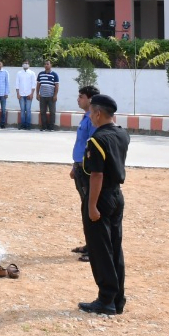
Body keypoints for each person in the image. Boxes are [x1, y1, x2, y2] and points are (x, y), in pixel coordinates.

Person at [78, 94, 129, 316]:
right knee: (115, 248)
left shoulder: (97, 140)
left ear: (98, 113)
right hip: (117, 195)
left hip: (101, 196)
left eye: (91, 112)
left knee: (101, 250)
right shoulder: (122, 133)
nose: (90, 116)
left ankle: (106, 299)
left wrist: (91, 206)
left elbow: (96, 175)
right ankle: (118, 299)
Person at [71, 85, 100, 262]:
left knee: (90, 206)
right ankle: (90, 244)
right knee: (85, 206)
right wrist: (75, 166)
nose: (78, 99)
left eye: (81, 96)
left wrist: (82, 166)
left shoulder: (93, 120)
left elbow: (91, 147)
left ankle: (95, 248)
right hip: (80, 167)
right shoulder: (86, 117)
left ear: (90, 100)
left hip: (87, 169)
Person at [37, 60, 61, 131]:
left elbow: (56, 86)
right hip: (42, 97)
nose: (46, 65)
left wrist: (55, 95)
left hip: (51, 97)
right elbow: (38, 85)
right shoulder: (40, 74)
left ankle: (51, 127)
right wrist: (37, 94)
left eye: (47, 64)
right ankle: (44, 127)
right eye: (45, 64)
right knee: (42, 112)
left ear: (51, 65)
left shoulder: (54, 75)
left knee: (52, 112)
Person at [15, 62, 36, 129]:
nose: (25, 64)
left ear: (29, 64)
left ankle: (28, 125)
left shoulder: (32, 73)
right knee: (22, 110)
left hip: (29, 94)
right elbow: (17, 84)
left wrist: (32, 94)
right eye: (24, 63)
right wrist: (18, 93)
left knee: (28, 109)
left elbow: (33, 84)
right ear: (22, 64)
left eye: (27, 63)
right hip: (21, 94)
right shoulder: (19, 73)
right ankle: (23, 124)